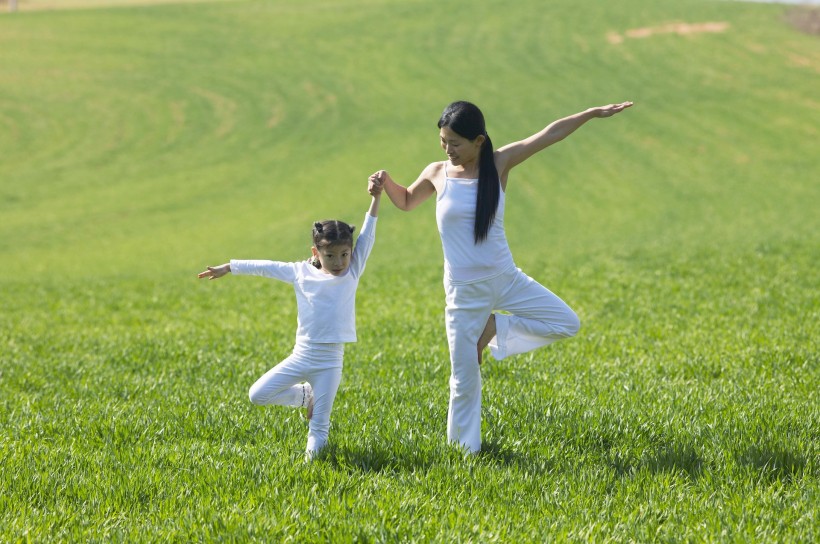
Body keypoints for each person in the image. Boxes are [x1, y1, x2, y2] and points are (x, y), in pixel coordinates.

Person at [369, 100, 633, 453]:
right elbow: (405, 201)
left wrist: (590, 114)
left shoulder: (498, 163)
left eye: (456, 143)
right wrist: (385, 184)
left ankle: (495, 328)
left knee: (566, 322)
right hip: (463, 295)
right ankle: (465, 454)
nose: (448, 150)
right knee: (464, 381)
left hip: (506, 278)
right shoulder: (436, 172)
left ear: (479, 140)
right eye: (443, 141)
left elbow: (549, 135)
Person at [197, 189, 380, 459]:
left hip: (330, 363)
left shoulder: (353, 268)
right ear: (316, 252)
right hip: (302, 355)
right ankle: (305, 396)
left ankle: (310, 468)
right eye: (330, 256)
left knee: (319, 427)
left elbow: (369, 233)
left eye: (344, 254)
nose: (339, 262)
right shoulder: (300, 272)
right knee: (257, 394)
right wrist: (230, 267)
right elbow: (266, 266)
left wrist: (376, 197)